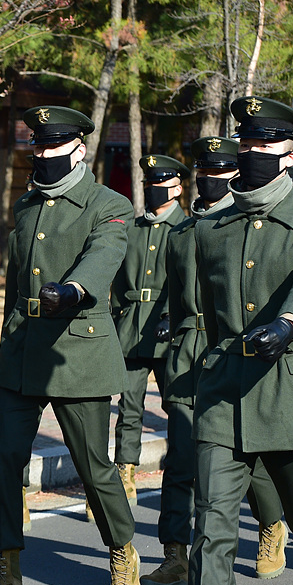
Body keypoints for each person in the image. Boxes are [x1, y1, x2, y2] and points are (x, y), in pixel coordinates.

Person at [188, 96, 293, 585]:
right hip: (223, 395)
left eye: (269, 141)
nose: (255, 149)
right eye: (249, 140)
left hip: (292, 394)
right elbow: (194, 307)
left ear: (292, 154)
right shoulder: (209, 228)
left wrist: (289, 324)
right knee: (211, 528)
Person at [0, 106, 140, 585]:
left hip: (78, 348)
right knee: (4, 459)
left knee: (93, 464)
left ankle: (122, 551)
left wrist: (74, 290)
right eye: (38, 145)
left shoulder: (109, 204)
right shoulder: (28, 205)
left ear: (78, 148)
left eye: (54, 146)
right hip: (23, 349)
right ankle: (6, 564)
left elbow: (105, 254)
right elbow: (16, 279)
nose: (44, 154)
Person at [143, 136, 287, 585]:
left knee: (251, 458)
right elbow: (173, 290)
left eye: (221, 175)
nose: (212, 182)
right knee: (183, 456)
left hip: (235, 351)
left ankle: (270, 526)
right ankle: (175, 555)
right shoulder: (181, 232)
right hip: (188, 354)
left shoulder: (247, 225)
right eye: (204, 174)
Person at [111, 154, 188, 507]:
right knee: (129, 406)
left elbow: (192, 280)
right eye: (148, 186)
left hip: (168, 332)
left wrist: (174, 314)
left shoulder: (186, 228)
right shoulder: (133, 228)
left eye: (159, 185)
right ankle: (125, 471)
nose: (153, 191)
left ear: (177, 187)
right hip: (131, 328)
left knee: (176, 404)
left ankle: (179, 467)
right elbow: (115, 276)